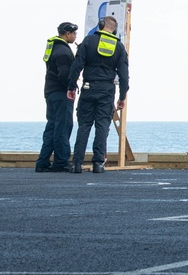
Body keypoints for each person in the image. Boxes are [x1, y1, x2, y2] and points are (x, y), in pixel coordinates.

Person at [67, 15, 129, 174]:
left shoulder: (88, 41)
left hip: (88, 88)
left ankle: (76, 164)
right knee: (102, 126)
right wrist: (122, 97)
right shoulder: (119, 46)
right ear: (114, 29)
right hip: (107, 91)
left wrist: (71, 87)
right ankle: (98, 164)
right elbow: (123, 75)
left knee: (84, 126)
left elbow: (76, 66)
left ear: (101, 25)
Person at [36, 22, 78, 172]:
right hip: (61, 93)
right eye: (74, 34)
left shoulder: (53, 46)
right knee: (63, 126)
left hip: (50, 91)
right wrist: (71, 87)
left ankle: (42, 162)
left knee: (52, 125)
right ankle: (61, 162)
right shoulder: (64, 52)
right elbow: (65, 74)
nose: (75, 37)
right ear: (67, 34)